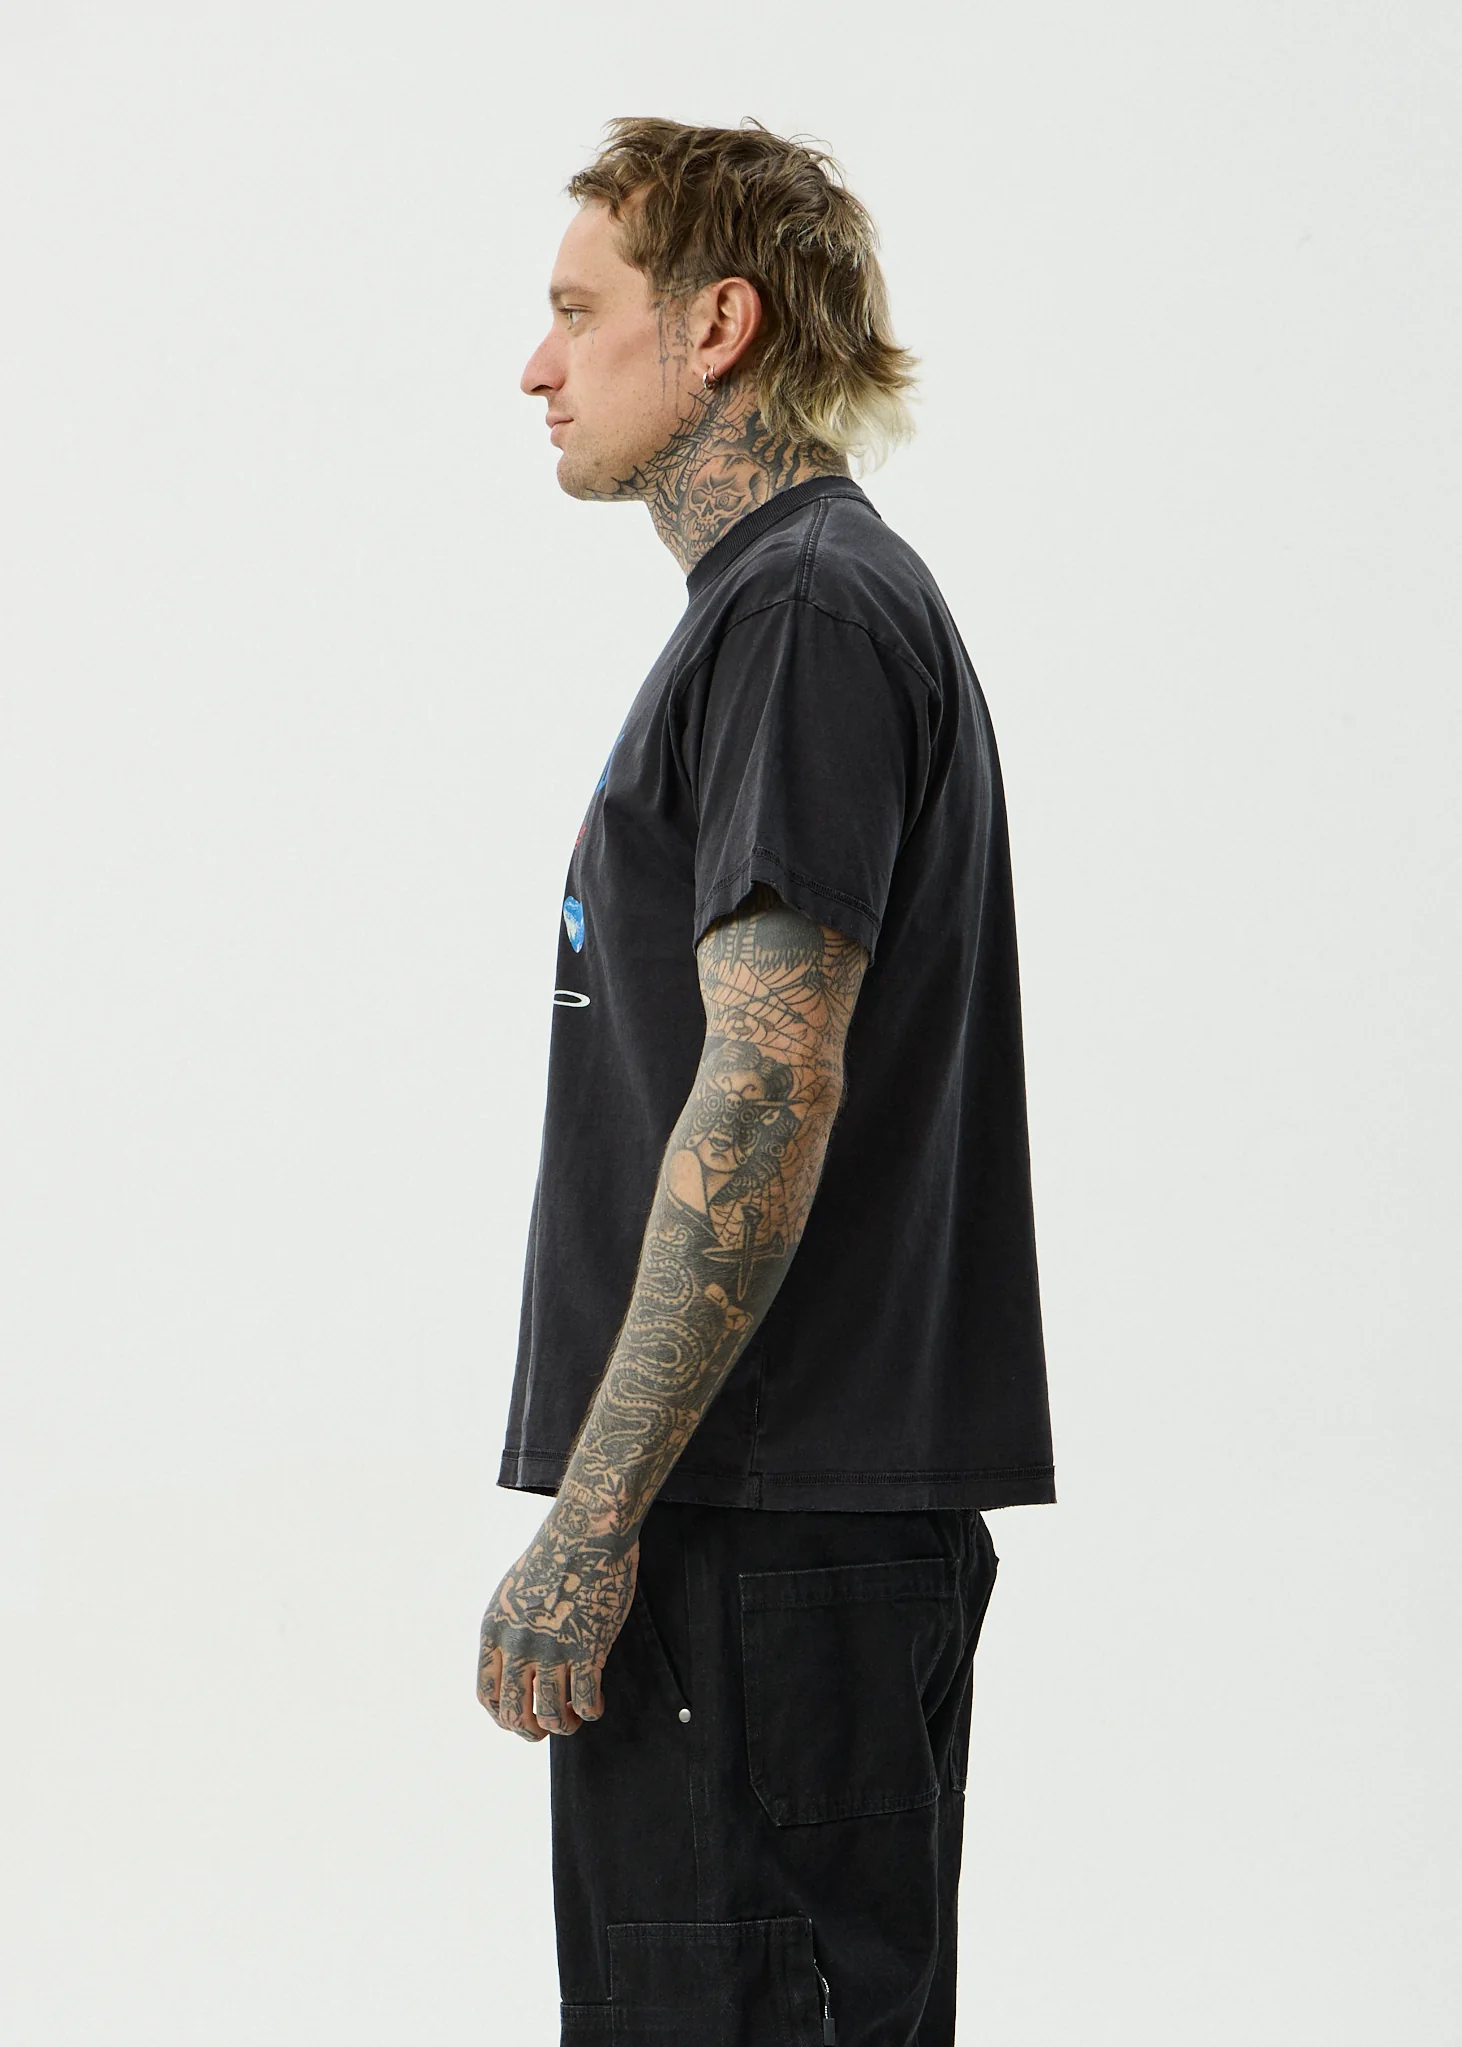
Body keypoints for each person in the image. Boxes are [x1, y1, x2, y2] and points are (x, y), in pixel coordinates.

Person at [477, 115, 1056, 2046]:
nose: (539, 364)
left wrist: (592, 1520)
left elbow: (765, 1087)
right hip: (763, 1535)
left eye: (580, 311)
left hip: (760, 1529)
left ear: (716, 325)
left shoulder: (802, 613)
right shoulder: (782, 611)